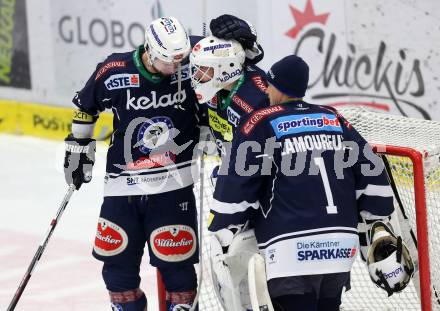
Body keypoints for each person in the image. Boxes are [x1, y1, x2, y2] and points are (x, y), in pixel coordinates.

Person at [63, 15, 260, 311]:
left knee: (179, 275)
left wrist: (244, 40)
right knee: (117, 271)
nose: (178, 68)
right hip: (122, 185)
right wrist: (78, 146)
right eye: (169, 61)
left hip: (174, 184)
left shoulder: (189, 56)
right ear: (151, 51)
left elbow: (238, 62)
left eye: (181, 60)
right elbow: (85, 107)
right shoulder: (114, 70)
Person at [207, 55, 414, 311]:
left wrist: (222, 227)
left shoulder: (260, 121)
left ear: (279, 87)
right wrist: (378, 221)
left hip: (289, 251)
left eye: (269, 84)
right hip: (339, 248)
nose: (267, 90)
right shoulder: (334, 118)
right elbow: (372, 167)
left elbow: (237, 181)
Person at [190, 16, 270, 157]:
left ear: (225, 69)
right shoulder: (217, 85)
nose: (196, 75)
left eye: (202, 69)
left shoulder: (256, 102)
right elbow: (179, 46)